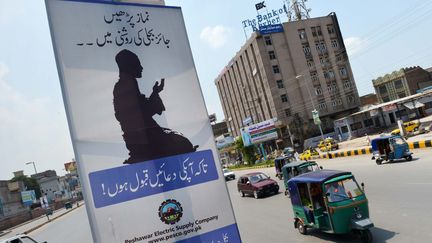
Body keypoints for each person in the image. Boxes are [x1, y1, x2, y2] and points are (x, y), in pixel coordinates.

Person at [113, 49, 197, 164]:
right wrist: (155, 94)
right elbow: (139, 114)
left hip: (145, 136)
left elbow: (141, 109)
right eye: (138, 64)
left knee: (180, 141)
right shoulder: (124, 86)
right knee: (182, 143)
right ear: (130, 66)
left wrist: (155, 92)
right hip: (143, 139)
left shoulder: (128, 84)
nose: (141, 68)